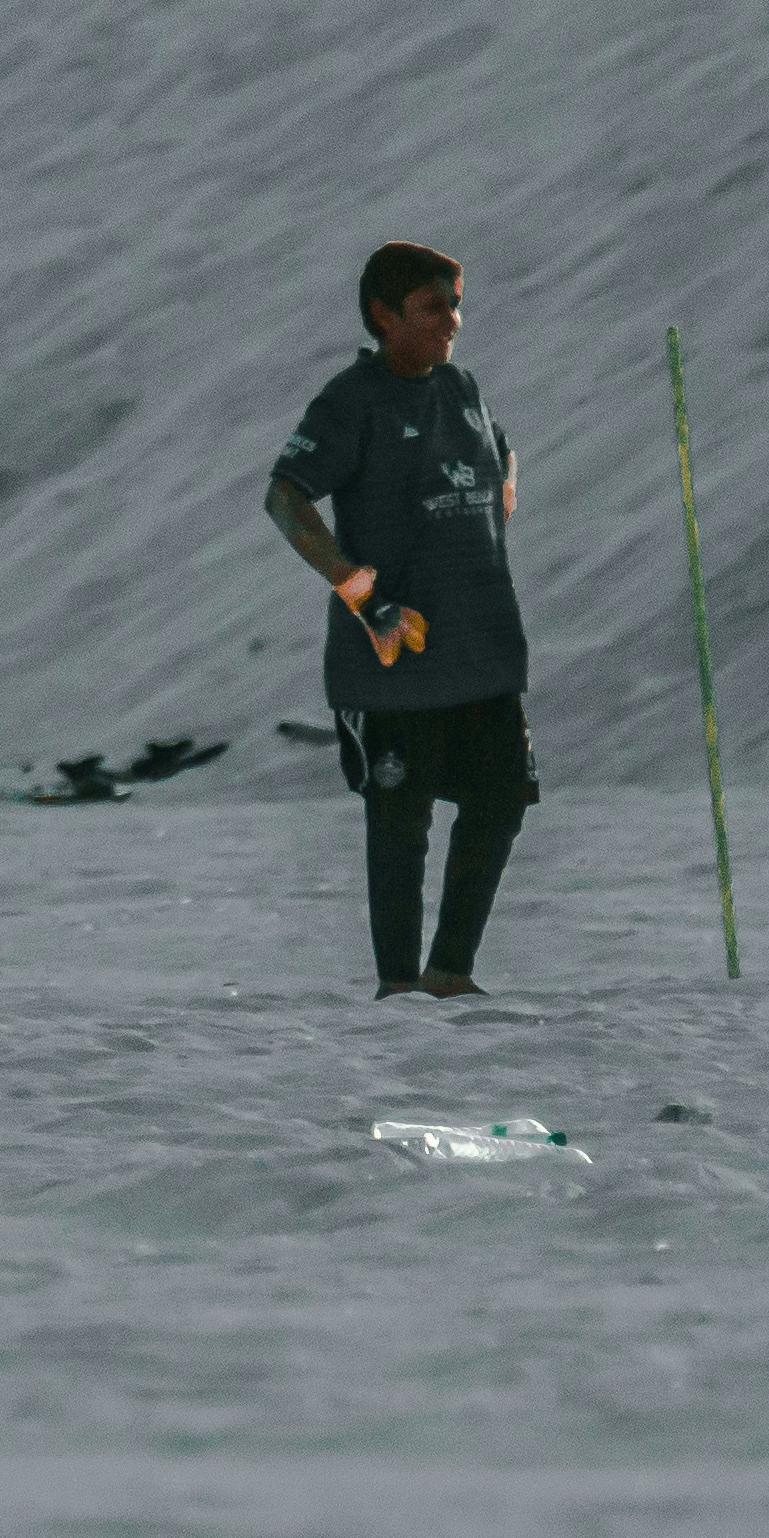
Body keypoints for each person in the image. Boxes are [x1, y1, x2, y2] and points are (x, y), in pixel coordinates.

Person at [267, 241, 531, 998]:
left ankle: (450, 971)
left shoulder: (463, 388)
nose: (452, 319)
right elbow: (285, 497)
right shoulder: (354, 399)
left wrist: (498, 496)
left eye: (455, 302)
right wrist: (362, 593)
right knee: (400, 822)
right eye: (432, 306)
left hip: (482, 646)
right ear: (385, 315)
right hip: (392, 652)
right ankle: (397, 987)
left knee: (502, 798)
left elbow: (501, 453)